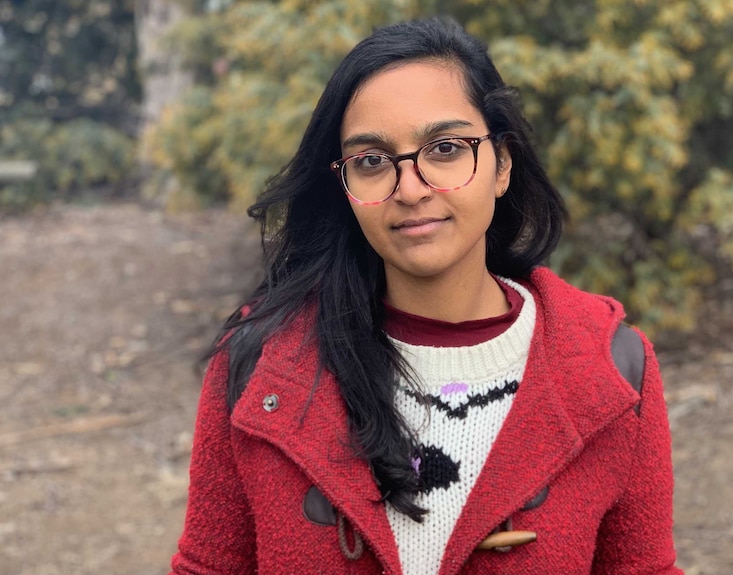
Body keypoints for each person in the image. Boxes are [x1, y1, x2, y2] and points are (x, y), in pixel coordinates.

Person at [169, 17, 683, 575]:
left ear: (502, 164)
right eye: (371, 161)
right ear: (344, 184)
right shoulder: (260, 360)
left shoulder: (615, 368)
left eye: (444, 148)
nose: (410, 188)